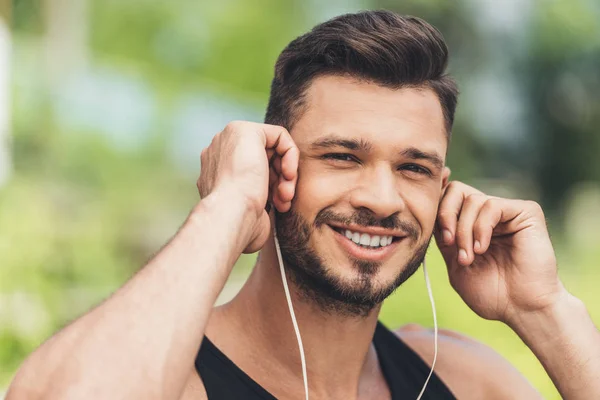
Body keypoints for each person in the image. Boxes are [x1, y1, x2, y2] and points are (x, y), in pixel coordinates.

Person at [7, 10, 600, 400]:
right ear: (272, 166)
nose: (380, 198)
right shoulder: (174, 379)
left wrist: (545, 310)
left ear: (443, 189)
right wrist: (226, 209)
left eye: (413, 168)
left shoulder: (460, 381)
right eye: (342, 156)